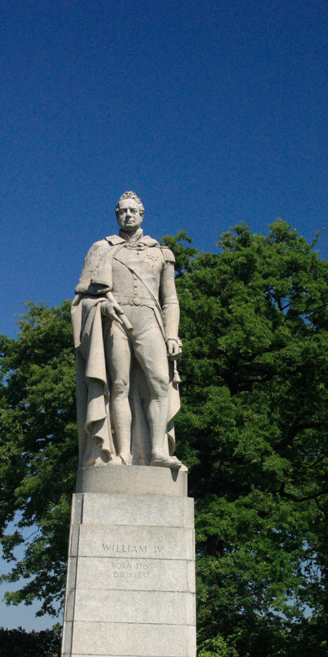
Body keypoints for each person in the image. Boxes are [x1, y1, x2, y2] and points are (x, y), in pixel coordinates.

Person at [72, 192, 186, 469]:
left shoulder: (161, 253)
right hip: (116, 318)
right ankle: (124, 453)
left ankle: (158, 451)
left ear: (142, 213)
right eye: (122, 211)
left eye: (133, 210)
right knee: (119, 386)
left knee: (160, 384)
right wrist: (101, 307)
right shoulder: (102, 248)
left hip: (150, 319)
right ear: (116, 215)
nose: (128, 215)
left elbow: (170, 299)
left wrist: (172, 334)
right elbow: (81, 296)